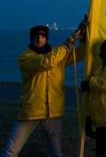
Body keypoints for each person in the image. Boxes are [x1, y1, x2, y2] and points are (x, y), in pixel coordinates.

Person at [1, 22, 87, 157]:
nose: (39, 39)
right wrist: (68, 42)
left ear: (46, 38)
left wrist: (83, 37)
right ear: (31, 38)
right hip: (32, 110)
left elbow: (81, 54)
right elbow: (46, 62)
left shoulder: (57, 55)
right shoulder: (25, 57)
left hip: (52, 111)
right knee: (11, 150)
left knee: (56, 152)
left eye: (42, 36)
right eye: (36, 36)